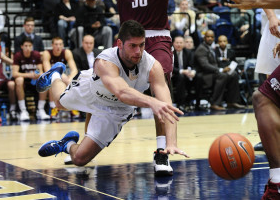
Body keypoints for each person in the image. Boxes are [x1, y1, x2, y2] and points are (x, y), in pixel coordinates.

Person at [71, 0, 217, 175]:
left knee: (163, 87)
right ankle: (84, 141)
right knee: (101, 87)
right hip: (127, 39)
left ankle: (162, 153)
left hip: (157, 36)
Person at [37, 20, 188, 170]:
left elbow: (167, 107)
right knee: (58, 102)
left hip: (116, 111)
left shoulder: (153, 66)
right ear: (120, 44)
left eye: (141, 45)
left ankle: (67, 144)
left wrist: (171, 143)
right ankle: (55, 75)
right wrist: (152, 102)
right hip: (90, 92)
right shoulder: (105, 61)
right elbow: (122, 91)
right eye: (133, 46)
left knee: (79, 159)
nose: (138, 51)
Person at [194, 30, 245, 110]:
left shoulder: (210, 48)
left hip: (213, 73)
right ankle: (214, 103)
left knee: (233, 74)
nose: (210, 39)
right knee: (222, 75)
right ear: (204, 38)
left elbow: (215, 62)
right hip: (204, 75)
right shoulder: (201, 49)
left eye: (212, 37)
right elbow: (205, 65)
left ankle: (232, 101)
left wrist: (227, 68)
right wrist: (220, 70)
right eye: (208, 37)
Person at [12, 37, 50, 121]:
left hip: (34, 81)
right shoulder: (18, 56)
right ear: (22, 46)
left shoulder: (36, 55)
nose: (27, 48)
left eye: (29, 46)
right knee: (19, 80)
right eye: (25, 46)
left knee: (44, 79)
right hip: (23, 82)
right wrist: (29, 75)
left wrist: (36, 74)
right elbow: (14, 73)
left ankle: (40, 110)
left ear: (32, 46)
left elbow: (39, 70)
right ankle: (23, 111)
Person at [41, 37, 78, 120]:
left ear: (63, 45)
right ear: (52, 45)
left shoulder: (67, 52)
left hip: (62, 77)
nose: (58, 46)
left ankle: (72, 107)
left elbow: (74, 69)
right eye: (56, 44)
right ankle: (53, 107)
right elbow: (48, 71)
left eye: (60, 44)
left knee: (71, 81)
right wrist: (60, 75)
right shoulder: (47, 53)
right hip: (47, 77)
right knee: (53, 82)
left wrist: (70, 79)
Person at [172, 36, 202, 110]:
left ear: (184, 44)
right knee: (181, 77)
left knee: (199, 77)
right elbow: (170, 67)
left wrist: (193, 72)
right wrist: (182, 71)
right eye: (177, 43)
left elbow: (193, 65)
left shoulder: (188, 52)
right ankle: (181, 104)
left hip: (187, 75)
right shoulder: (170, 53)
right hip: (174, 76)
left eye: (181, 43)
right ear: (173, 43)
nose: (179, 44)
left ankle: (198, 103)